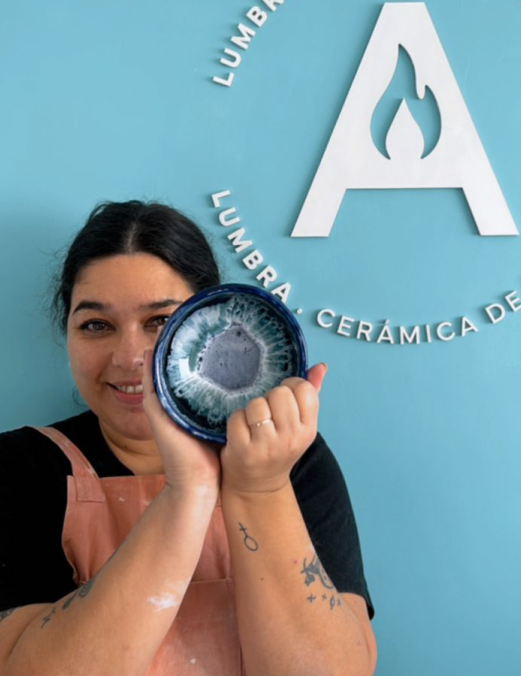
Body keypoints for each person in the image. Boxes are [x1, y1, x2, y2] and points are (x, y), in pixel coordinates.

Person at [0, 200, 376, 676]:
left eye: (160, 321)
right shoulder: (20, 466)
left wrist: (261, 489)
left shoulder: (294, 458)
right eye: (96, 325)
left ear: (216, 322)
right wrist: (189, 490)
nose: (130, 357)